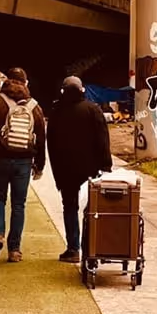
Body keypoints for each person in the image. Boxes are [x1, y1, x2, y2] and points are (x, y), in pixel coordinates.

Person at [0, 67, 46, 262]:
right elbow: (41, 138)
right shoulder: (34, 106)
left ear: (7, 81)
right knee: (18, 204)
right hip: (24, 161)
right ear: (25, 83)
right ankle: (14, 249)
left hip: (0, 159)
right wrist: (40, 165)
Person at [47, 76, 112, 263]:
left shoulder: (57, 112)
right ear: (82, 90)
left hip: (66, 171)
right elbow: (103, 141)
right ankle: (94, 248)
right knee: (93, 210)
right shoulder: (93, 110)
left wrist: (56, 172)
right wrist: (105, 166)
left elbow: (51, 143)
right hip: (91, 170)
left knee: (70, 208)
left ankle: (73, 249)